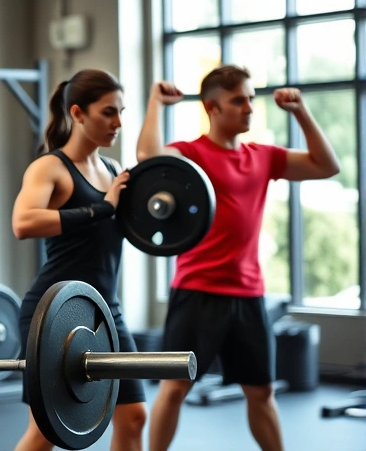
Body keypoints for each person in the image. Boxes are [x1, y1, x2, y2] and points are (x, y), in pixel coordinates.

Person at [137, 65, 340, 451]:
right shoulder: (192, 153)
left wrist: (301, 111)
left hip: (248, 294)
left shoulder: (262, 156)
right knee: (175, 387)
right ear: (212, 108)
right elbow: (149, 158)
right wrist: (155, 104)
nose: (249, 107)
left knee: (261, 392)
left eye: (250, 99)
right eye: (239, 100)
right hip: (197, 292)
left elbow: (327, 165)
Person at [10, 69, 145, 451]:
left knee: (134, 415)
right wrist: (100, 209)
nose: (118, 122)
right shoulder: (51, 167)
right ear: (78, 113)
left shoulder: (115, 171)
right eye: (108, 113)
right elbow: (23, 222)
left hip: (105, 310)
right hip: (54, 311)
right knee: (45, 432)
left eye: (121, 112)